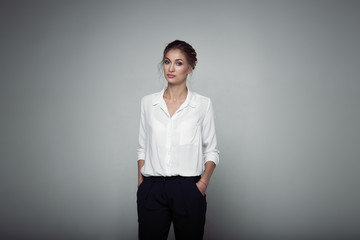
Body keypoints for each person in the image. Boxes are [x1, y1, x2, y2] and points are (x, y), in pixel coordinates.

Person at [136, 40, 220, 240]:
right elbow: (142, 147)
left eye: (179, 63)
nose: (171, 68)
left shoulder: (202, 104)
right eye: (167, 62)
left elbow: (212, 150)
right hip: (152, 188)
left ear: (190, 68)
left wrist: (202, 184)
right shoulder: (148, 103)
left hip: (187, 189)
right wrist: (142, 183)